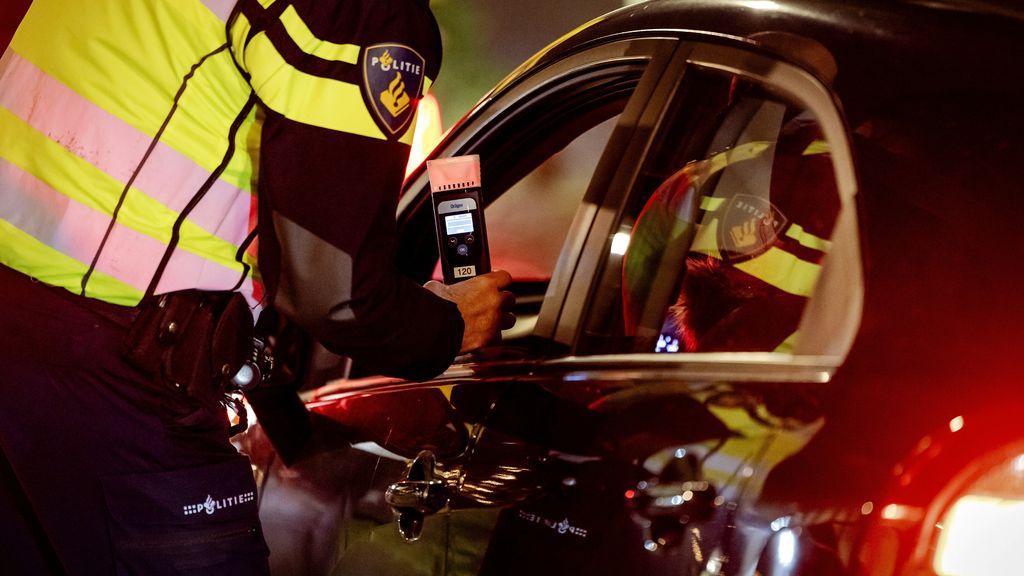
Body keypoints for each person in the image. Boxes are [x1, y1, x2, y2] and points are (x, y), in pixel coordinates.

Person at [0, 0, 513, 574]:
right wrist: (449, 325)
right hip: (124, 383)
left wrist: (294, 426)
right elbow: (337, 293)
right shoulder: (360, 10)